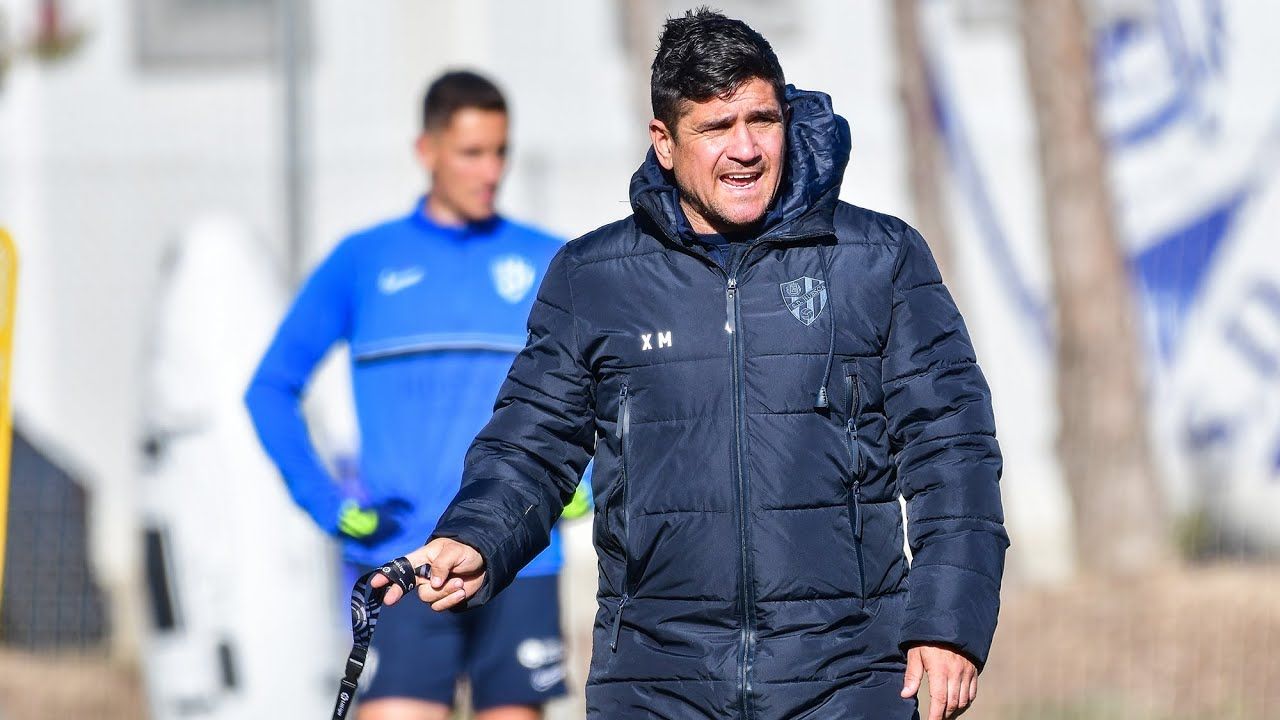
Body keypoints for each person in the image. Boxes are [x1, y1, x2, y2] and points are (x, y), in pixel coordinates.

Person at [377, 10, 1008, 720]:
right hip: (655, 681)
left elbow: (951, 450)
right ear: (665, 143)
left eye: (762, 120)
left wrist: (948, 624)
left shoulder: (878, 259)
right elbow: (532, 440)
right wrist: (476, 534)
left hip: (847, 677)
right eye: (715, 128)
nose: (745, 149)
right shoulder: (595, 277)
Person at [245, 70, 583, 720]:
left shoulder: (547, 261)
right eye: (471, 152)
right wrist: (329, 505)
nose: (491, 170)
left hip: (519, 560)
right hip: (401, 556)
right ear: (426, 151)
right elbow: (270, 390)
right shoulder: (362, 261)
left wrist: (585, 478)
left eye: (500, 151)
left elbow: (601, 388)